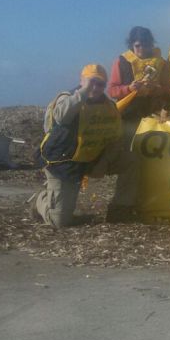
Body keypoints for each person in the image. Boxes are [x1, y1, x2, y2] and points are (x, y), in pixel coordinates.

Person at [35, 64, 139, 227]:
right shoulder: (67, 98)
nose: (95, 87)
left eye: (100, 84)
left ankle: (120, 208)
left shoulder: (109, 107)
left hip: (92, 159)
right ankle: (41, 200)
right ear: (81, 81)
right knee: (59, 221)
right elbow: (61, 116)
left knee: (131, 160)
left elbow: (115, 139)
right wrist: (84, 92)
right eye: (91, 82)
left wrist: (105, 161)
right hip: (63, 163)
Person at [108, 26, 170, 142]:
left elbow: (168, 89)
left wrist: (156, 89)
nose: (142, 49)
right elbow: (112, 91)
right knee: (130, 146)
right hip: (129, 116)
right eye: (138, 46)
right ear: (131, 45)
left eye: (145, 45)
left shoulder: (161, 62)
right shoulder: (121, 62)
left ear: (151, 44)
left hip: (155, 114)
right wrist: (129, 88)